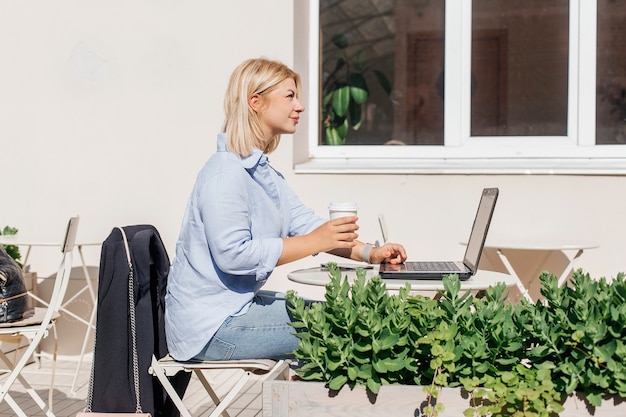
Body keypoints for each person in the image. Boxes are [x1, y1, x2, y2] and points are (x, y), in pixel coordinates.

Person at [165, 57, 407, 362]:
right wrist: (316, 242)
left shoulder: (260, 172)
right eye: (290, 96)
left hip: (236, 310)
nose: (300, 107)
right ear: (256, 102)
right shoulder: (225, 173)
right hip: (213, 328)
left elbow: (307, 225)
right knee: (349, 324)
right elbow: (233, 255)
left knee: (343, 314)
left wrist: (371, 253)